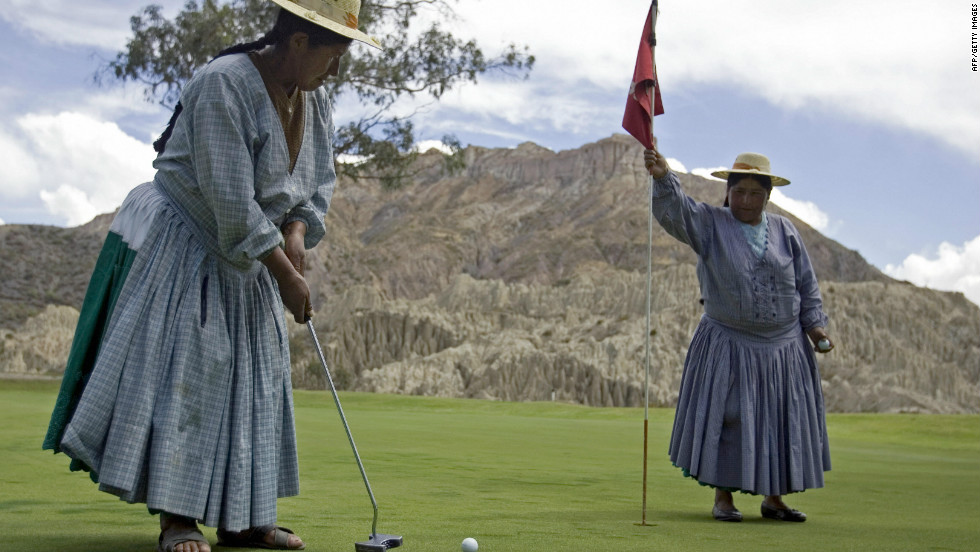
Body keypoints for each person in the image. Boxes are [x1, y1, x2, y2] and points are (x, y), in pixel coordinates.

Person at [42, 1, 381, 550]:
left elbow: (317, 180)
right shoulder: (223, 84)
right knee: (191, 372)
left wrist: (295, 236)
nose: (335, 71)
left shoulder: (313, 102)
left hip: (253, 253)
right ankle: (177, 519)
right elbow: (228, 197)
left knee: (256, 382)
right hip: (194, 244)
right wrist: (284, 274)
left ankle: (244, 521)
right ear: (298, 42)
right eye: (333, 56)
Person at [643, 146, 834, 523]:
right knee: (730, 418)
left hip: (784, 347)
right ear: (728, 192)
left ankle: (774, 499)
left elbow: (806, 284)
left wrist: (815, 327)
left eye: (756, 194)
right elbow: (676, 212)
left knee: (781, 419)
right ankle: (723, 498)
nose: (746, 201)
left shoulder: (785, 231)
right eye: (739, 192)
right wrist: (664, 176)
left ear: (769, 196)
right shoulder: (711, 223)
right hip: (728, 342)